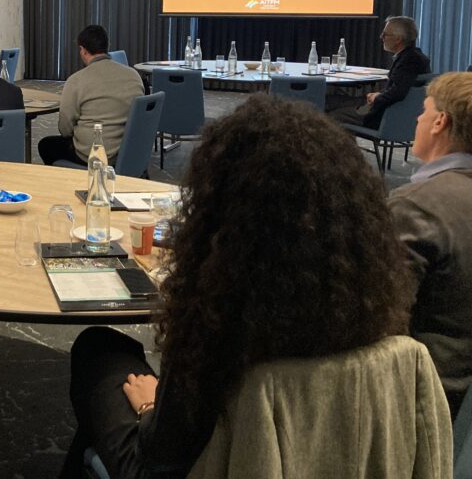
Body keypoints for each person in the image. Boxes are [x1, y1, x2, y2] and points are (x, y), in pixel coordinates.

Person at [62, 96, 416, 478]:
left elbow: (161, 456)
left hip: (196, 467)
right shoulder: (368, 307)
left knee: (98, 349)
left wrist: (149, 406)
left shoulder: (223, 317)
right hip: (324, 455)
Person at [389, 71, 472, 416]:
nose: (417, 120)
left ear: (440, 122)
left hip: (427, 395)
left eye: (423, 111)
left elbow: (379, 317)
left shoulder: (415, 206)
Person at [38, 25, 144, 166]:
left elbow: (65, 129)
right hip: (127, 152)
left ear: (83, 50)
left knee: (46, 145)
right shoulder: (133, 76)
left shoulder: (76, 80)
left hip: (92, 154)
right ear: (106, 47)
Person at [332, 15, 431, 128]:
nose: (381, 37)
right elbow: (400, 87)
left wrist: (377, 98)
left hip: (383, 118)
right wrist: (378, 94)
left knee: (333, 115)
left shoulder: (408, 61)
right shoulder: (416, 56)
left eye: (385, 34)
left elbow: (398, 93)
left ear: (398, 39)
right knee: (338, 102)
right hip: (400, 117)